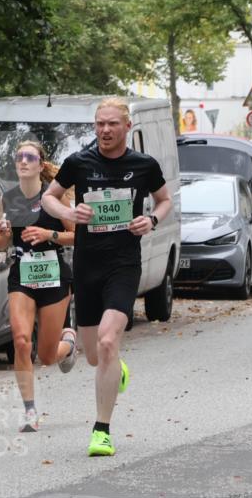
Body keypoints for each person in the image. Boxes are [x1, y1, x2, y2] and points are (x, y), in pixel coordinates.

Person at [41, 97, 172, 457]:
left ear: (127, 127)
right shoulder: (78, 163)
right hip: (87, 264)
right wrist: (69, 210)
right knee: (95, 355)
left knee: (109, 341)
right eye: (100, 123)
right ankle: (116, 369)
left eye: (112, 123)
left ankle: (101, 430)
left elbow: (164, 200)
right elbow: (48, 199)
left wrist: (152, 220)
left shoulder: (143, 165)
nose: (105, 130)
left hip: (124, 264)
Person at [0, 141, 77, 432]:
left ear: (40, 165)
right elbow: (0, 244)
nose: (23, 161)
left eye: (30, 157)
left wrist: (48, 233)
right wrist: (1, 234)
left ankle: (69, 345)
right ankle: (30, 411)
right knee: (20, 341)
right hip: (22, 275)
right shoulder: (8, 198)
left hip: (54, 273)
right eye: (19, 157)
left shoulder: (54, 197)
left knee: (47, 355)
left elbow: (76, 235)